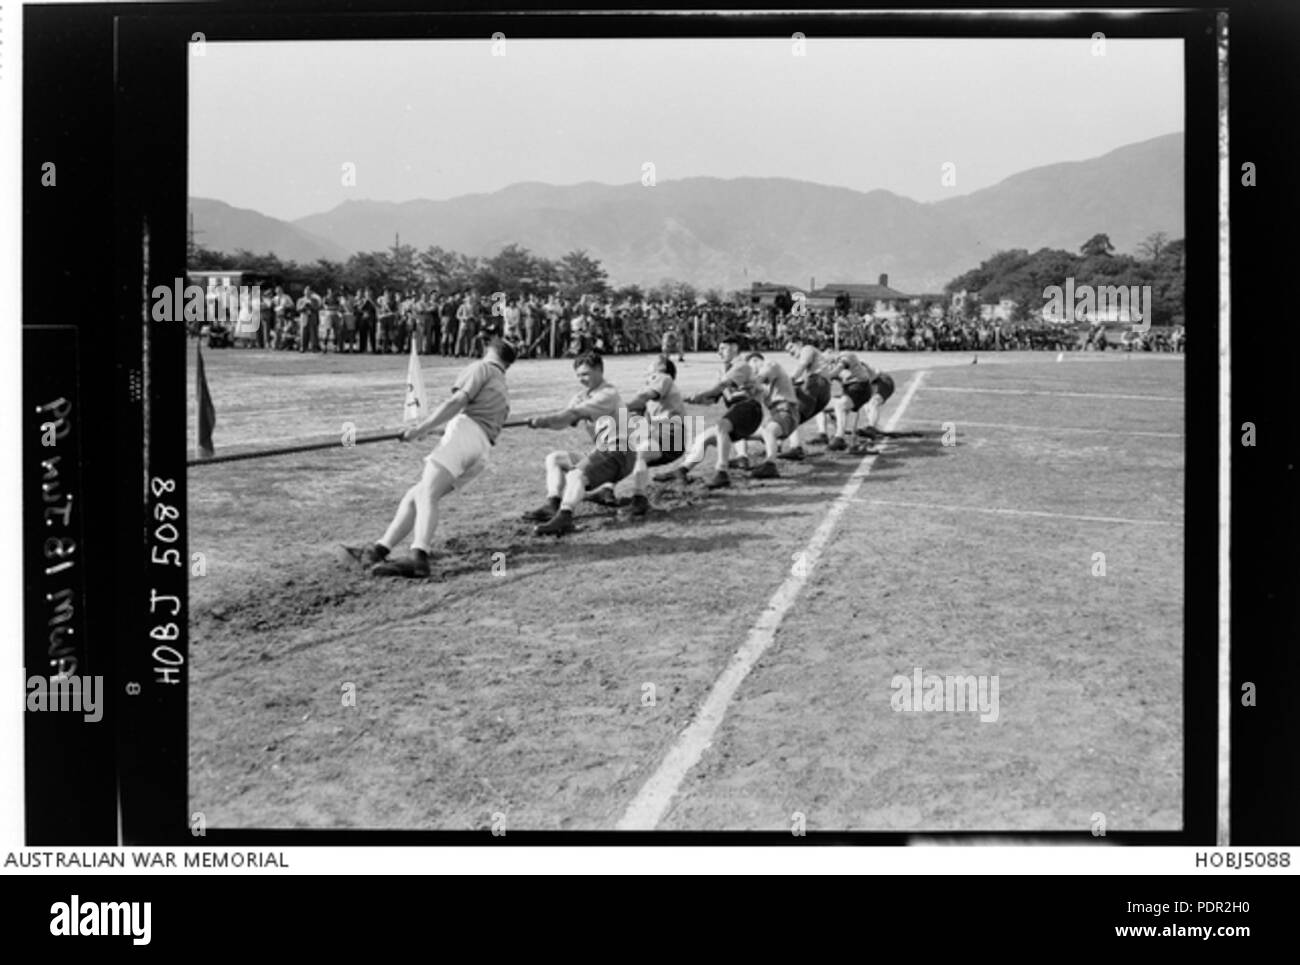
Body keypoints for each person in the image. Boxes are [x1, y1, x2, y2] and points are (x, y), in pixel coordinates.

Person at [348, 338, 518, 579]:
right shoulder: (502, 384)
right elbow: (482, 421)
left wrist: (421, 428)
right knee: (416, 496)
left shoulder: (482, 368)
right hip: (481, 449)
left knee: (427, 494)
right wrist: (436, 430)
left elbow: (456, 402)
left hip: (466, 436)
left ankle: (419, 557)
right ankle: (378, 550)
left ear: (489, 350)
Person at [521, 351, 630, 536]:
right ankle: (553, 504)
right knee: (555, 459)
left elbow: (572, 415)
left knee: (575, 475)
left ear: (599, 370)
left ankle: (565, 517)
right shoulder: (582, 396)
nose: (582, 379)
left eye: (586, 374)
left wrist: (544, 420)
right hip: (603, 452)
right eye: (579, 375)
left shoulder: (607, 394)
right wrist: (543, 423)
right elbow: (564, 420)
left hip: (621, 453)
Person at [654, 336, 763, 490]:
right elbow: (713, 399)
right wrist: (693, 400)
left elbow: (720, 387)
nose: (719, 353)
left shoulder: (741, 366)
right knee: (703, 438)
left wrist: (701, 394)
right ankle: (682, 470)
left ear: (734, 348)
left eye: (723, 348)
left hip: (750, 408)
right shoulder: (727, 370)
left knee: (721, 427)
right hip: (740, 413)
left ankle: (722, 472)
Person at [826, 350, 895, 452]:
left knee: (872, 402)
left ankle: (871, 429)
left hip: (881, 380)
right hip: (866, 385)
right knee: (845, 405)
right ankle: (840, 435)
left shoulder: (847, 361)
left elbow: (866, 378)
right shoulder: (834, 368)